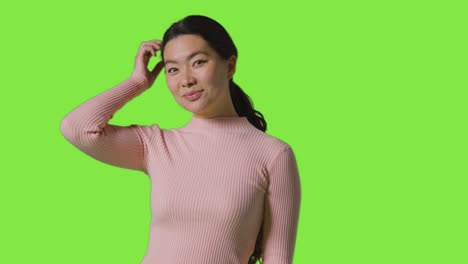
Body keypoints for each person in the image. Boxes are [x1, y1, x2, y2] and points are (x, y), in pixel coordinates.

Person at [60, 15, 301, 264]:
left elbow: (278, 257)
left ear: (229, 66)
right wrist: (137, 82)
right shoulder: (156, 145)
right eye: (173, 69)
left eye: (198, 62)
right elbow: (77, 128)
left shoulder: (273, 154)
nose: (186, 80)